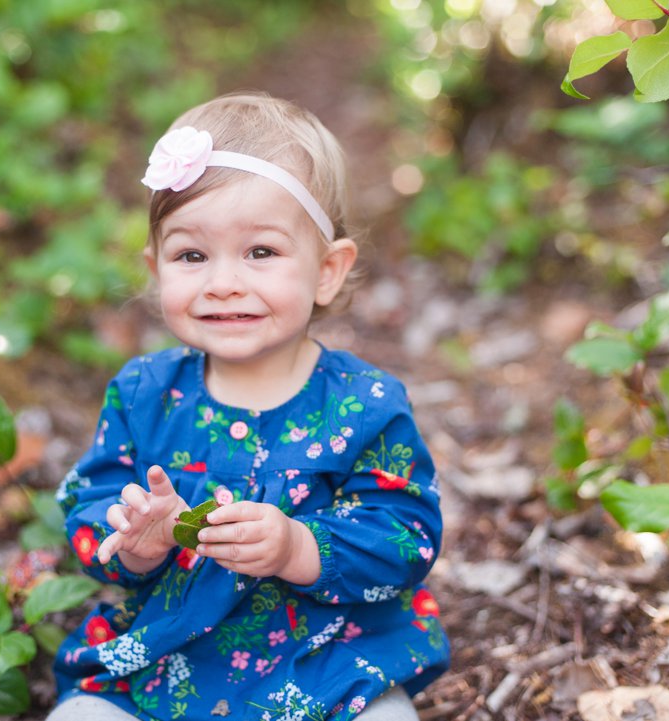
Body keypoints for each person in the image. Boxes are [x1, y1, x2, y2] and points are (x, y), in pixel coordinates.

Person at [48, 92, 449, 721]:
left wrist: (298, 547)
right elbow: (90, 504)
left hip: (324, 667)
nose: (223, 283)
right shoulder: (144, 392)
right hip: (164, 661)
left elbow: (407, 537)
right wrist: (135, 540)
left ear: (327, 270)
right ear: (156, 268)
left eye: (261, 252)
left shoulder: (365, 403)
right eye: (191, 255)